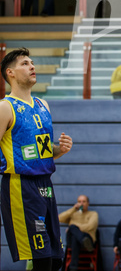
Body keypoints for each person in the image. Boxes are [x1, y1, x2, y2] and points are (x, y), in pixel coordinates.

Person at [0, 48, 73, 271]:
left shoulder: (43, 106)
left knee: (55, 257)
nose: (32, 66)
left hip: (45, 185)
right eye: (25, 63)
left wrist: (59, 150)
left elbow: (43, 149)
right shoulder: (5, 107)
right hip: (20, 186)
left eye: (32, 62)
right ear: (10, 72)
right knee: (40, 257)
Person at [59, 195, 99, 271]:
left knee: (74, 233)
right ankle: (83, 239)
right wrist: (73, 209)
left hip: (88, 239)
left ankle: (73, 268)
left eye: (84, 201)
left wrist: (72, 227)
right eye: (79, 202)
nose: (81, 203)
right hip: (78, 241)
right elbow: (59, 218)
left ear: (88, 203)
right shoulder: (74, 214)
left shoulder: (93, 214)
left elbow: (91, 226)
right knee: (74, 236)